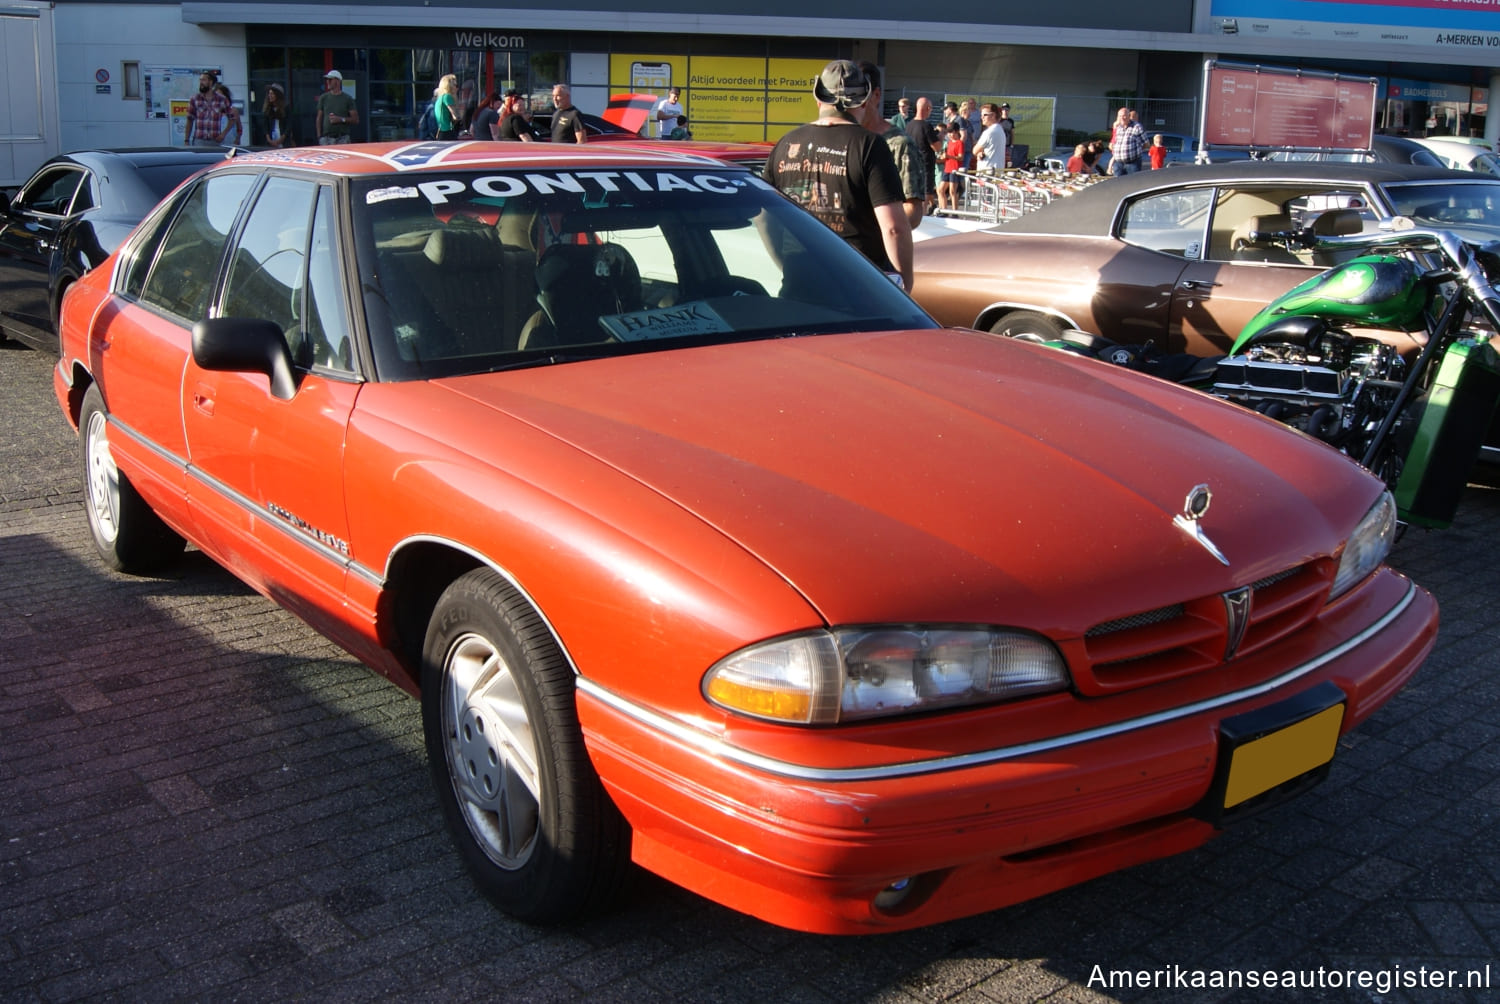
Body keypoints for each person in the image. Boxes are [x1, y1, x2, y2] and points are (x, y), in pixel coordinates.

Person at [766, 59, 912, 291]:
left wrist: (785, 263)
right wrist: (904, 287)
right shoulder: (869, 145)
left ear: (818, 98)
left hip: (799, 283)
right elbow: (894, 227)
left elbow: (766, 218)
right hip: (858, 287)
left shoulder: (786, 143)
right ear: (863, 100)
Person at [856, 60, 924, 228]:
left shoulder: (899, 145)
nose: (853, 104)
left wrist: (872, 229)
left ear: (876, 95)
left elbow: (912, 211)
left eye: (859, 96)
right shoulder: (844, 138)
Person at [904, 96, 940, 211]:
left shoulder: (909, 126)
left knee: (915, 194)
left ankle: (933, 206)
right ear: (928, 108)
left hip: (911, 164)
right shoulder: (926, 126)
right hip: (925, 165)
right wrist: (940, 138)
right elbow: (937, 147)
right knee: (925, 192)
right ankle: (923, 216)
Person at [184, 71, 229, 147]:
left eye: (203, 80)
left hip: (215, 141)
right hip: (199, 141)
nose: (201, 82)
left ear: (211, 82)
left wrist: (223, 134)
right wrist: (186, 140)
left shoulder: (221, 99)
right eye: (200, 80)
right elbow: (189, 120)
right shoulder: (194, 99)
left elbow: (232, 118)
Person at [315, 70, 358, 145]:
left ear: (337, 81)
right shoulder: (323, 98)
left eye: (330, 80)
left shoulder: (347, 99)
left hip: (342, 138)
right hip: (326, 139)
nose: (327, 82)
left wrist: (341, 119)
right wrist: (319, 136)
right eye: (327, 80)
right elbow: (319, 118)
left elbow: (355, 120)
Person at [1109, 106, 1145, 175]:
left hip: (1132, 163)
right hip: (1118, 163)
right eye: (1120, 116)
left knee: (1132, 184)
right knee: (1118, 184)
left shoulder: (1137, 126)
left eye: (1124, 116)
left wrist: (1135, 152)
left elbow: (1146, 144)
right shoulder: (1118, 127)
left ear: (1129, 116)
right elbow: (1113, 142)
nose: (1122, 118)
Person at [938, 121, 964, 212]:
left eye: (952, 132)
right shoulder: (949, 143)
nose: (950, 135)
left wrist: (949, 156)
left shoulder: (959, 143)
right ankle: (944, 209)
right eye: (948, 133)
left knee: (952, 191)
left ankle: (954, 211)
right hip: (947, 168)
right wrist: (943, 157)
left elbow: (961, 157)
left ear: (957, 132)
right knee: (941, 190)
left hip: (954, 169)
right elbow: (946, 156)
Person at [972, 102, 1007, 172]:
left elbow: (975, 151)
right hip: (997, 171)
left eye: (985, 115)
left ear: (993, 115)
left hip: (987, 172)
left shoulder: (989, 132)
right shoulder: (1000, 130)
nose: (982, 117)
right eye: (981, 115)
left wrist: (978, 152)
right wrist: (980, 153)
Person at [261, 82, 291, 147]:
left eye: (272, 94)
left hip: (283, 142)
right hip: (271, 141)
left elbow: (289, 126)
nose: (270, 96)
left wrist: (281, 139)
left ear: (277, 95)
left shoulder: (286, 108)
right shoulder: (267, 109)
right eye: (269, 93)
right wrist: (269, 140)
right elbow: (265, 126)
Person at [433, 74, 460, 140]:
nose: (457, 88)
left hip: (441, 131)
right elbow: (455, 116)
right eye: (455, 85)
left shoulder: (441, 98)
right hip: (448, 132)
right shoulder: (447, 97)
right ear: (449, 86)